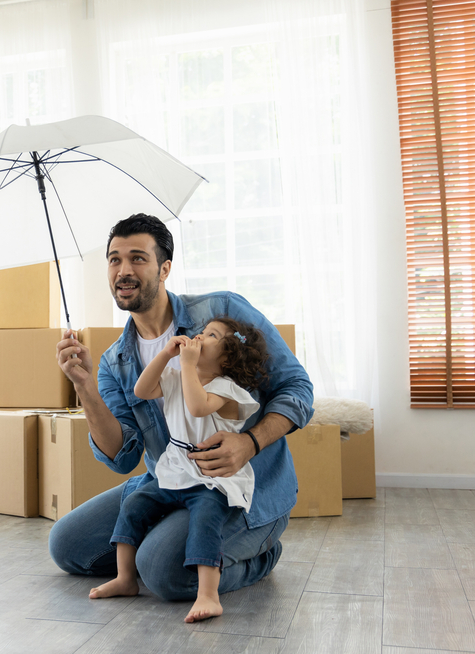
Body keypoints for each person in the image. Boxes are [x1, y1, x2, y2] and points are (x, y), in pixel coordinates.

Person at [52, 213, 313, 605]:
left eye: (138, 258)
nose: (124, 270)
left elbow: (298, 388)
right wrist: (85, 387)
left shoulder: (221, 314)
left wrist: (249, 443)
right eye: (114, 259)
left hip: (236, 488)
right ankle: (164, 541)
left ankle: (259, 556)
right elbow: (123, 457)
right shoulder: (113, 361)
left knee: (164, 572)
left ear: (165, 268)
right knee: (68, 545)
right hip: (168, 480)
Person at [89, 317, 269, 624]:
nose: (199, 336)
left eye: (210, 335)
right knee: (134, 505)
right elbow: (142, 390)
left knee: (205, 521)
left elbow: (198, 406)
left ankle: (208, 594)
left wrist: (187, 365)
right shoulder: (175, 374)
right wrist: (166, 356)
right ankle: (125, 578)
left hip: (211, 478)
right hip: (175, 467)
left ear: (226, 358)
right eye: (202, 331)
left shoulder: (227, 390)